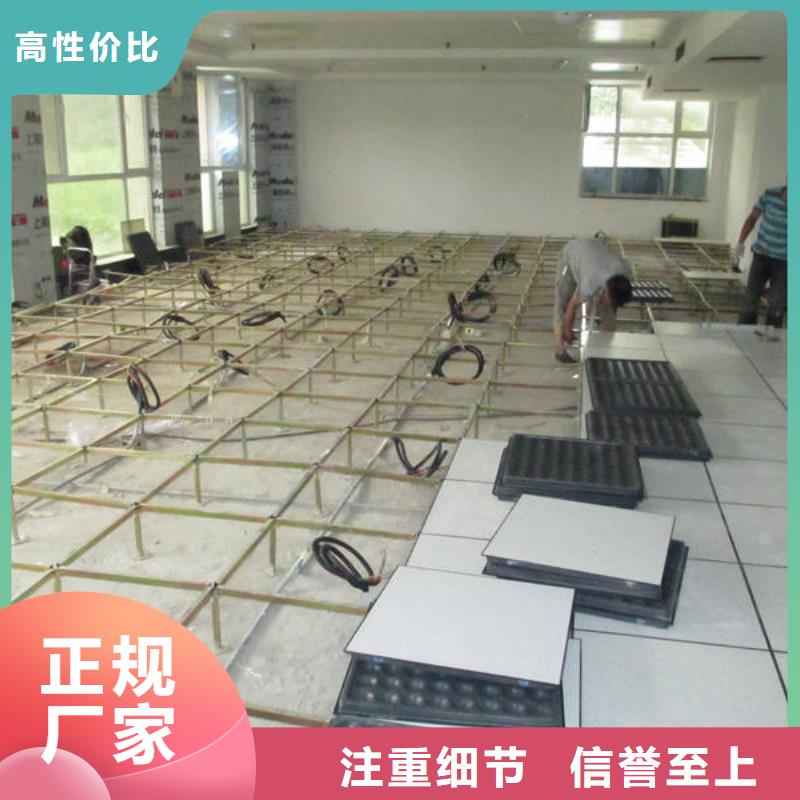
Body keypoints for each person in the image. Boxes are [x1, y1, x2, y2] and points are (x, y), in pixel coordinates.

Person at [553, 233, 633, 363]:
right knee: (562, 301)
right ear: (606, 289)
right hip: (571, 254)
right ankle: (559, 349)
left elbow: (611, 308)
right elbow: (572, 307)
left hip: (595, 251)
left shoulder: (626, 272)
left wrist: (606, 343)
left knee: (607, 309)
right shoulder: (591, 282)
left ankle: (605, 348)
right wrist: (568, 331)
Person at [736, 183, 787, 328]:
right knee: (750, 299)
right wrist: (741, 241)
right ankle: (745, 334)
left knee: (777, 302)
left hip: (785, 261)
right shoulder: (770, 194)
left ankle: (772, 336)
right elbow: (752, 218)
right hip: (761, 256)